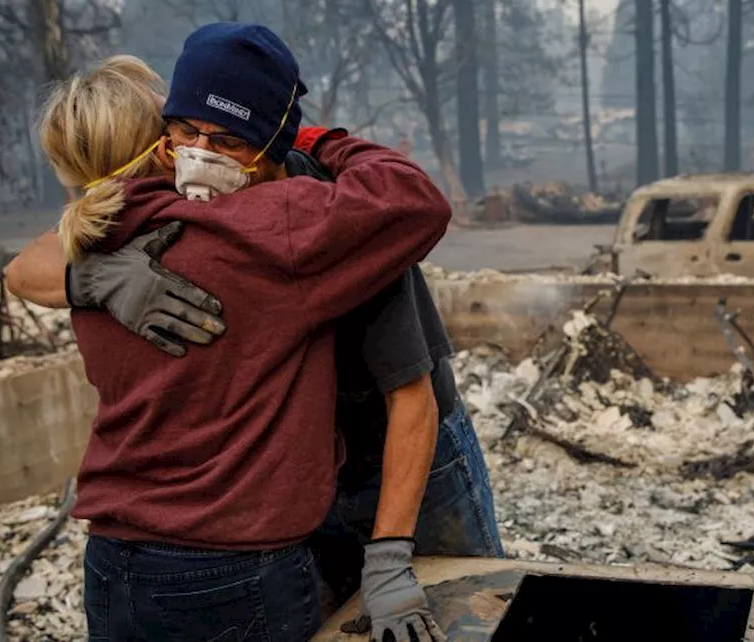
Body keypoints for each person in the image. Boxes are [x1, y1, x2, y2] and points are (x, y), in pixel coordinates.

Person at [23, 25, 452, 641]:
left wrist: (86, 281)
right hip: (234, 561)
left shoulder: (82, 245)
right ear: (159, 141)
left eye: (227, 139)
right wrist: (321, 137)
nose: (202, 153)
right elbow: (415, 199)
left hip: (114, 557)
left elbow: (19, 270)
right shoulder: (276, 227)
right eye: (185, 134)